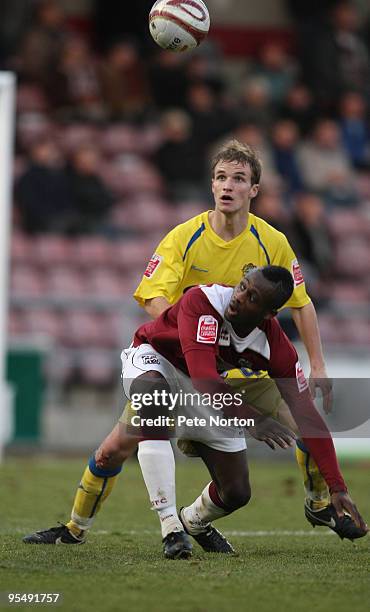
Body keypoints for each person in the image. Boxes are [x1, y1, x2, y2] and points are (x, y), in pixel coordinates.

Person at [23, 140, 354, 546]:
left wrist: (317, 365)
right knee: (115, 448)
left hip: (238, 369)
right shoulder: (185, 236)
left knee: (299, 420)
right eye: (220, 178)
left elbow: (301, 304)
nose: (227, 186)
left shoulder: (273, 243)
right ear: (212, 186)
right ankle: (75, 529)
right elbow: (153, 298)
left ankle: (321, 503)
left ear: (254, 190)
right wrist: (196, 333)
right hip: (181, 360)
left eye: (238, 179)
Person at [120, 265, 367, 558]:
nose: (239, 297)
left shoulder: (276, 348)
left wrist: (338, 487)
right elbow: (204, 378)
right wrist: (254, 419)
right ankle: (170, 526)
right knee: (152, 396)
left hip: (207, 384)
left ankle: (192, 522)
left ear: (268, 314)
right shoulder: (204, 301)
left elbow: (308, 418)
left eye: (252, 297)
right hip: (157, 359)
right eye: (243, 286)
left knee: (236, 492)